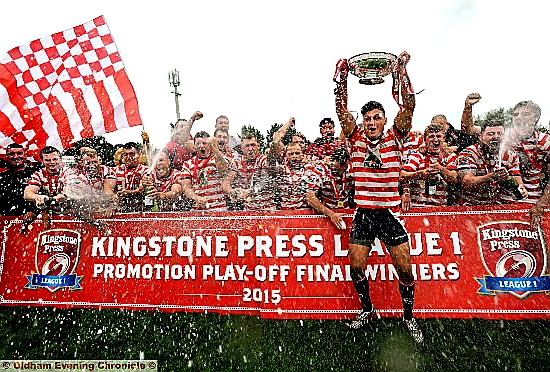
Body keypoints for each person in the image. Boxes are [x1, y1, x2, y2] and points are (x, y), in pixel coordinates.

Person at [333, 51, 423, 343]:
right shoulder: (355, 136)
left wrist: (402, 72)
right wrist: (342, 78)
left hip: (389, 214)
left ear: (385, 120)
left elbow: (409, 105)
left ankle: (408, 317)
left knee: (405, 272)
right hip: (364, 214)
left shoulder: (396, 136)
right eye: (367, 118)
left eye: (376, 117)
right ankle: (367, 310)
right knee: (356, 268)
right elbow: (340, 108)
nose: (371, 122)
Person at [457, 120, 527, 205]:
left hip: (494, 205)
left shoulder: (510, 155)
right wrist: (491, 176)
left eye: (500, 134)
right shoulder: (469, 153)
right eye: (491, 134)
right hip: (468, 205)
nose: (496, 137)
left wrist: (521, 189)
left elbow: (517, 178)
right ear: (480, 136)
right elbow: (466, 182)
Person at [505, 101, 550, 227]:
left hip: (533, 202)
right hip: (503, 202)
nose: (519, 117)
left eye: (525, 114)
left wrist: (541, 204)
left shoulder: (545, 142)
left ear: (536, 118)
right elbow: (469, 130)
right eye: (515, 114)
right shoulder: (503, 137)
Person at [400, 123, 458, 209]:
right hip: (417, 208)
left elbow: (455, 179)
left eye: (438, 136)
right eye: (431, 136)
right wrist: (420, 174)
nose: (435, 139)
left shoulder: (449, 156)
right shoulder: (417, 156)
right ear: (425, 139)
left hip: (441, 210)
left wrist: (441, 169)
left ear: (444, 138)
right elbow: (402, 176)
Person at [23, 146, 79, 228]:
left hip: (70, 211)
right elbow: (27, 193)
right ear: (42, 161)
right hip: (48, 211)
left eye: (55, 159)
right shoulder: (38, 174)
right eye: (47, 160)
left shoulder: (68, 172)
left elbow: (72, 188)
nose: (52, 162)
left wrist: (65, 195)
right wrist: (37, 197)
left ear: (60, 159)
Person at [222, 133, 278, 211]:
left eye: (253, 145)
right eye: (247, 146)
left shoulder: (262, 159)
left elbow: (270, 165)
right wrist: (234, 192)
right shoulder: (237, 162)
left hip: (267, 209)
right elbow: (226, 183)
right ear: (242, 148)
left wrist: (274, 144)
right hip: (248, 210)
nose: (250, 149)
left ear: (258, 146)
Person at [303, 146, 353, 229]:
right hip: (326, 215)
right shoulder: (320, 170)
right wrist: (331, 214)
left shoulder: (352, 168)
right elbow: (309, 197)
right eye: (336, 170)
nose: (340, 172)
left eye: (343, 169)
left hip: (347, 213)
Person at [268, 118, 310, 210]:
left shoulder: (311, 162)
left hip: (304, 210)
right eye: (291, 154)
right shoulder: (283, 164)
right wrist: (288, 124)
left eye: (301, 142)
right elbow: (277, 138)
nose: (294, 156)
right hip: (286, 209)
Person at [181, 131, 229, 211]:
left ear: (209, 144)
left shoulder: (217, 158)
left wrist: (214, 148)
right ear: (194, 146)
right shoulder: (188, 164)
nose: (201, 146)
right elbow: (186, 188)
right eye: (198, 143)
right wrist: (195, 197)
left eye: (204, 143)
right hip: (198, 210)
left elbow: (223, 169)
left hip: (218, 209)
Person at [0, 144, 40, 216]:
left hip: (34, 219)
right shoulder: (3, 177)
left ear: (25, 155)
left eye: (19, 153)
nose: (15, 157)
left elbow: (45, 194)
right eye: (11, 154)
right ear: (7, 156)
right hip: (6, 219)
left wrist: (34, 211)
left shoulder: (37, 173)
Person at [113, 142, 148, 212]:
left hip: (140, 211)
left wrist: (129, 192)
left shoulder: (145, 170)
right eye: (126, 154)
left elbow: (142, 189)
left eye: (132, 154)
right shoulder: (116, 170)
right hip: (119, 211)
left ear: (139, 155)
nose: (128, 158)